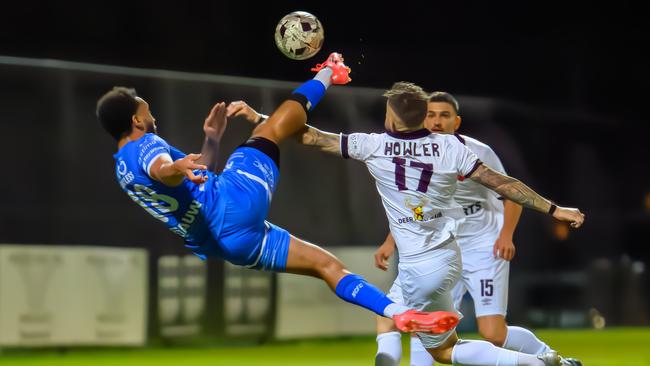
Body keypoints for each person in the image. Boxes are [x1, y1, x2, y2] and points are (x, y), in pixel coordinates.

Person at [96, 53, 458, 335]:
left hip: (229, 244)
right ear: (135, 120)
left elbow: (192, 176)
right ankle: (330, 71)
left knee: (327, 266)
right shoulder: (145, 145)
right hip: (232, 205)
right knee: (271, 128)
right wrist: (175, 168)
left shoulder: (120, 168)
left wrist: (212, 140)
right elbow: (162, 168)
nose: (149, 110)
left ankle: (402, 314)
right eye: (144, 106)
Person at [295, 81, 585, 366]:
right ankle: (545, 360)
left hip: (426, 263)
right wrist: (554, 209)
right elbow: (504, 184)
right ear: (423, 116)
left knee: (436, 345)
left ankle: (538, 362)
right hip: (448, 254)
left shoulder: (374, 145)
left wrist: (265, 122)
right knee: (401, 323)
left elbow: (310, 136)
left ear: (392, 117)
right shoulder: (451, 148)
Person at [371, 92, 581, 366]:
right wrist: (391, 242)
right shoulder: (416, 157)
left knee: (492, 332)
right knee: (425, 320)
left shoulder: (477, 151)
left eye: (444, 115)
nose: (436, 121)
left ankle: (550, 358)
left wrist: (506, 235)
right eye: (430, 115)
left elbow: (510, 192)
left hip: (484, 243)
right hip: (442, 246)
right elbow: (413, 209)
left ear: (456, 122)